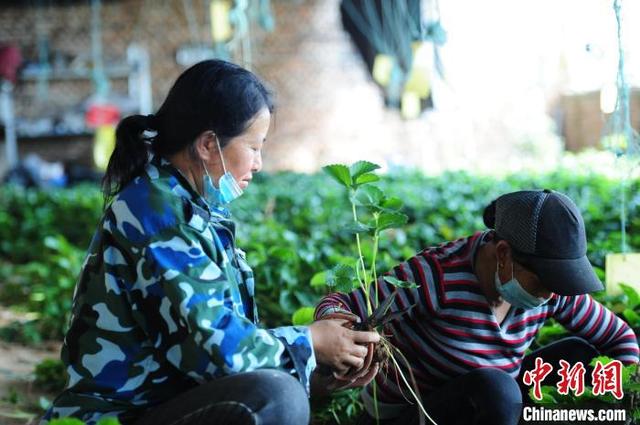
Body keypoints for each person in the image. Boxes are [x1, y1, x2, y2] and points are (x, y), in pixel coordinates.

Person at [41, 59, 379, 425]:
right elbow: (217, 351)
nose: (259, 163)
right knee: (276, 399)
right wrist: (310, 343)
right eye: (253, 147)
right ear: (207, 144)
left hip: (161, 406)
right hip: (119, 417)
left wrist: (315, 371)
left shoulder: (187, 206)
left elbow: (214, 355)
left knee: (284, 389)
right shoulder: (156, 214)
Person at [315, 189, 640, 425]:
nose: (552, 295)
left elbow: (620, 338)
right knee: (495, 389)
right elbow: (338, 303)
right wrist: (339, 332)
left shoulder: (552, 286)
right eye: (543, 282)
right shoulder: (436, 276)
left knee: (578, 356)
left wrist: (626, 400)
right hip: (417, 413)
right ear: (503, 254)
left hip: (494, 406)